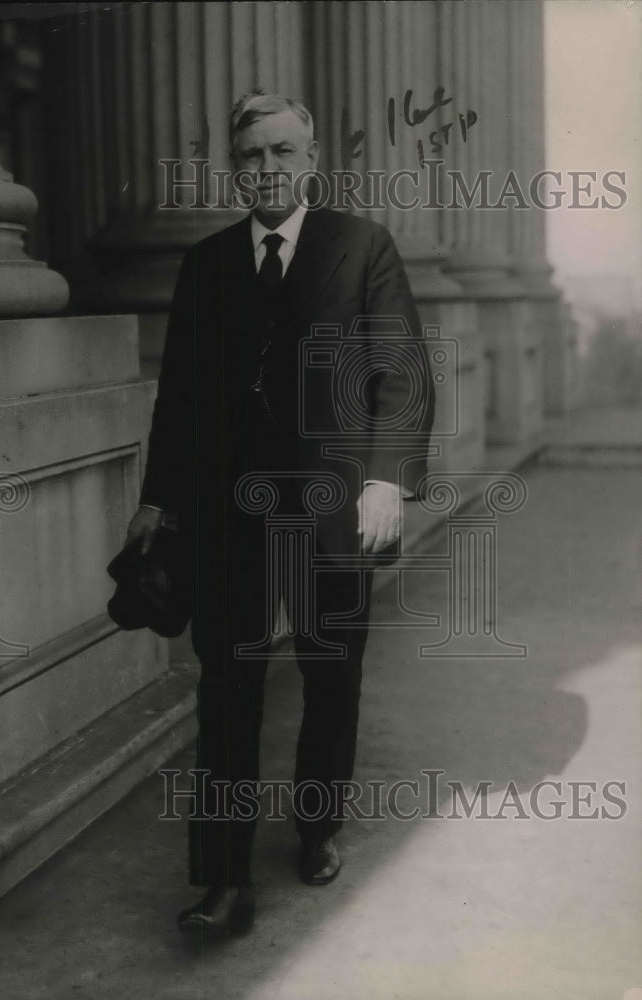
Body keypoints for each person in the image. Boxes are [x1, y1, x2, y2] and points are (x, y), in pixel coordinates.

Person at [126, 92, 435, 938]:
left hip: (333, 510)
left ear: (311, 160)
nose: (266, 169)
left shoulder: (361, 248)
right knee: (226, 689)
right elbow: (179, 398)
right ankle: (223, 880)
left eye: (281, 152)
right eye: (251, 156)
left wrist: (386, 481)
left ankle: (316, 823)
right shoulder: (206, 265)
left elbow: (400, 373)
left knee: (329, 678)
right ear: (236, 169)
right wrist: (156, 499)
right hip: (228, 517)